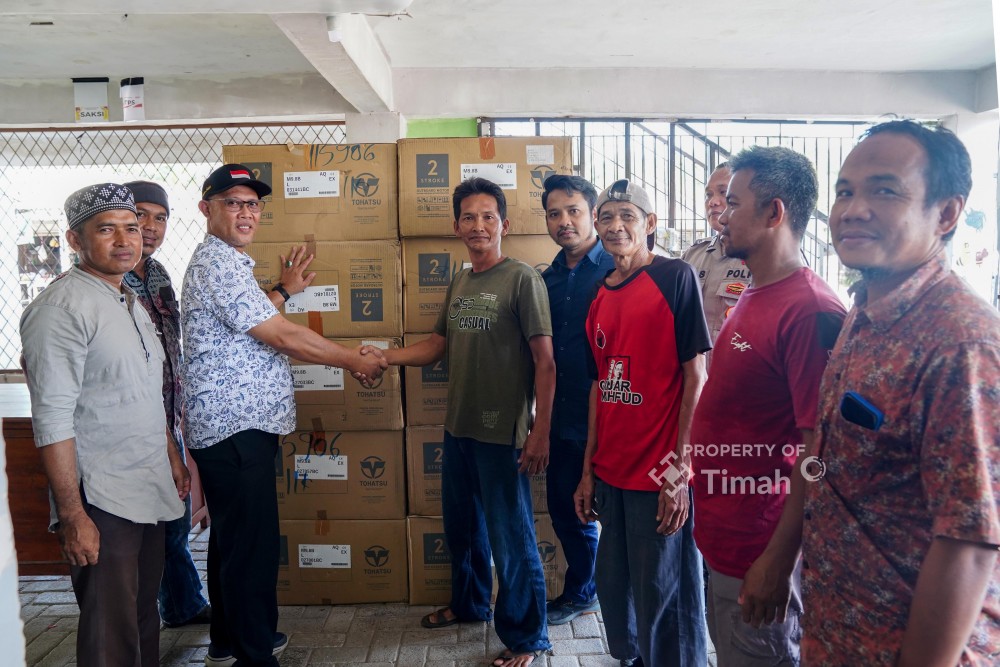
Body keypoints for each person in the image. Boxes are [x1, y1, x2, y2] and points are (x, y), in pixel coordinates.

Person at [801, 120, 999, 665]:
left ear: (946, 213)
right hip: (835, 631)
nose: (853, 208)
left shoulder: (961, 342)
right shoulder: (864, 310)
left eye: (884, 190)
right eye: (845, 191)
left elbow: (969, 542)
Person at [180, 164, 385, 667]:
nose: (246, 212)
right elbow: (282, 335)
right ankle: (255, 654)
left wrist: (285, 289)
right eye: (232, 202)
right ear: (206, 209)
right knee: (251, 549)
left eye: (252, 204)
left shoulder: (229, 263)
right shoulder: (217, 264)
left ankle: (229, 641)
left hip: (235, 427)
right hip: (235, 427)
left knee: (232, 542)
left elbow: (248, 321)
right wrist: (352, 359)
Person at [376, 177, 554, 667]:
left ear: (505, 224)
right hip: (459, 429)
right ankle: (471, 604)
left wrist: (539, 431)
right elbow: (438, 344)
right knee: (464, 529)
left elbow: (546, 362)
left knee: (511, 537)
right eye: (469, 217)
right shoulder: (461, 279)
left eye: (488, 217)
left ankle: (528, 637)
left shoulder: (521, 279)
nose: (479, 226)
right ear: (457, 226)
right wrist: (385, 357)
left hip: (504, 434)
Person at [687, 147, 846, 666]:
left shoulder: (809, 312)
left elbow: (817, 452)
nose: (720, 213)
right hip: (725, 533)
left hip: (760, 546)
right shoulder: (755, 292)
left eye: (732, 202)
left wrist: (778, 560)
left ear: (774, 212)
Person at [21, 183, 187, 666]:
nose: (124, 240)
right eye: (106, 230)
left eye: (132, 229)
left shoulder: (128, 301)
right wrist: (73, 515)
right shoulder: (61, 309)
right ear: (74, 240)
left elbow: (143, 393)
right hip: (101, 498)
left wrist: (173, 458)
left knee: (140, 619)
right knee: (108, 633)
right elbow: (50, 419)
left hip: (147, 483)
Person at [573, 179, 712, 667]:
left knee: (666, 603)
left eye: (627, 216)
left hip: (659, 478)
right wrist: (588, 471)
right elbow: (598, 388)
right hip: (612, 473)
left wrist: (679, 475)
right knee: (618, 596)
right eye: (606, 217)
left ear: (649, 225)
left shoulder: (675, 278)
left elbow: (697, 377)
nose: (615, 226)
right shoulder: (598, 294)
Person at [120, 180, 211, 630]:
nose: (150, 227)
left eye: (160, 217)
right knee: (140, 526)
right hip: (128, 423)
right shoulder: (104, 278)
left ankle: (182, 604)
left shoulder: (157, 275)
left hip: (167, 416)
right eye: (141, 214)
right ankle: (135, 622)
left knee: (174, 516)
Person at [538, 174, 613, 626]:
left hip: (611, 416)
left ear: (591, 215)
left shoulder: (616, 271)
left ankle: (618, 599)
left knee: (616, 517)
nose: (564, 221)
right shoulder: (545, 279)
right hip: (562, 418)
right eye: (554, 213)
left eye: (574, 211)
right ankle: (583, 591)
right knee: (567, 511)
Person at [682, 162, 751, 343]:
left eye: (723, 192)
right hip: (694, 370)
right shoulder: (693, 255)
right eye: (708, 194)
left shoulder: (765, 257)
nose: (712, 201)